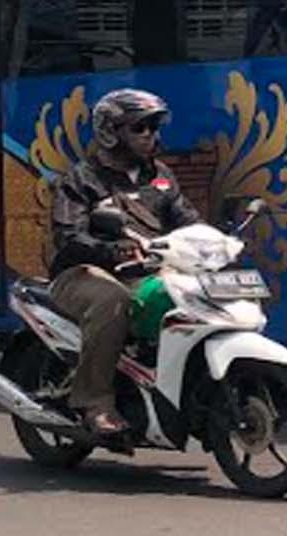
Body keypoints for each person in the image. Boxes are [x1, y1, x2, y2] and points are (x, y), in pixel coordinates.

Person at [46, 88, 201, 437]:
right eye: (140, 128)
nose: (151, 136)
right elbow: (68, 237)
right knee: (112, 300)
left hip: (146, 269)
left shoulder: (159, 176)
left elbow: (186, 218)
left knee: (199, 294)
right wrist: (111, 250)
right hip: (83, 274)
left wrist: (214, 242)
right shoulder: (81, 178)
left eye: (154, 128)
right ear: (110, 132)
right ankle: (95, 403)